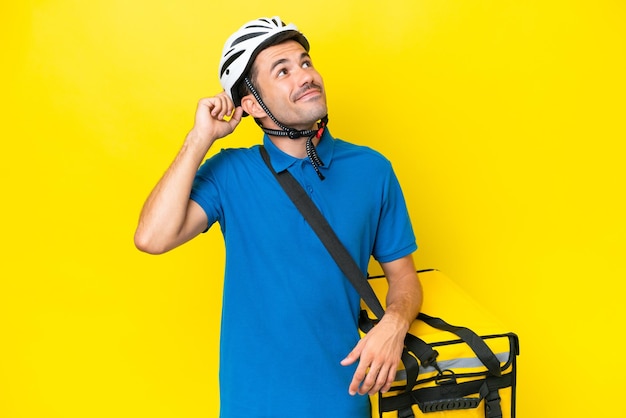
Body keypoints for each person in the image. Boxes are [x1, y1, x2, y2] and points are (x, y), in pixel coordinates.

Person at [134, 16, 423, 418]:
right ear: (251, 104)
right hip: (253, 406)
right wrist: (199, 138)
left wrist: (394, 324)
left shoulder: (372, 170)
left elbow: (404, 278)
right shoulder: (230, 173)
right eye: (282, 71)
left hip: (345, 403)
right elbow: (152, 238)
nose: (305, 76)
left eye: (305, 62)